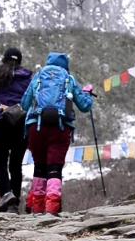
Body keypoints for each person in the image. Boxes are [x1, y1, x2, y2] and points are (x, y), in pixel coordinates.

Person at [20, 52, 94, 216]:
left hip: (36, 127)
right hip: (60, 127)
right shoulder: (68, 78)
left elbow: (24, 104)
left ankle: (37, 209)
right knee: (54, 167)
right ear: (65, 65)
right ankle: (51, 209)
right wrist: (87, 94)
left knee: (39, 166)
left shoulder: (38, 76)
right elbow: (85, 106)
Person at [0, 47, 32, 212]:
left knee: (0, 162)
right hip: (22, 121)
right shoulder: (28, 77)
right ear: (20, 61)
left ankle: (7, 194)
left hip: (2, 121)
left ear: (4, 59)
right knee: (16, 165)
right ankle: (14, 204)